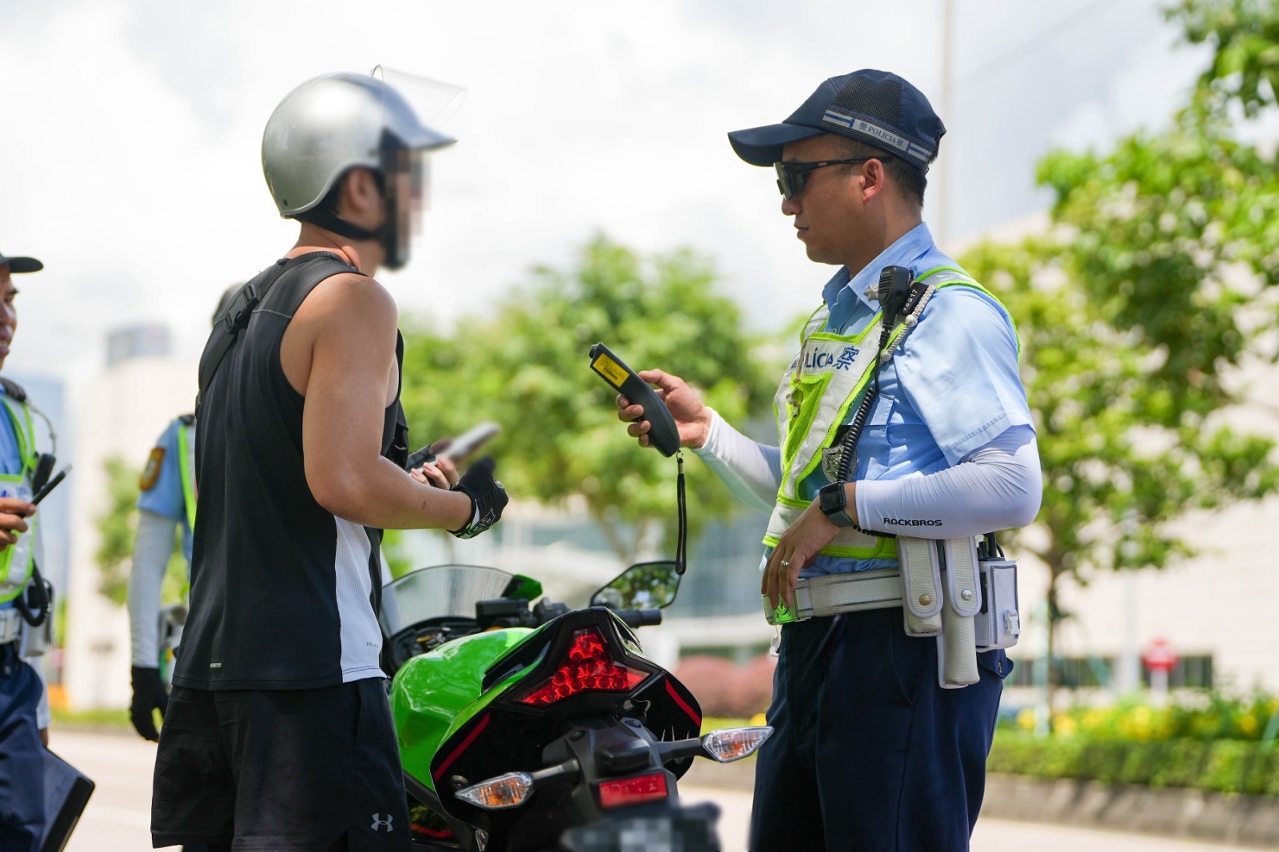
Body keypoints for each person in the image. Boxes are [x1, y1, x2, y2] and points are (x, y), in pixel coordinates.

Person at [617, 70, 1042, 851]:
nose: (785, 203)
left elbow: (1012, 486)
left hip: (900, 650)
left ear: (868, 177)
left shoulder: (949, 310)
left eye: (795, 178)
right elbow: (802, 496)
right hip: (817, 649)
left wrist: (845, 508)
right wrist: (709, 434)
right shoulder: (842, 316)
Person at [151, 71, 509, 852]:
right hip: (311, 675)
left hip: (215, 669)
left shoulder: (241, 312)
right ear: (357, 184)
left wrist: (402, 480)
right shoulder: (353, 299)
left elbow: (285, 476)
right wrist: (466, 509)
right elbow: (342, 480)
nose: (417, 197)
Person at [127, 290, 239, 742]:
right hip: (207, 649)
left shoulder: (315, 425)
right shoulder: (183, 437)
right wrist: (142, 667)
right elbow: (147, 564)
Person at [0, 248, 53, 851]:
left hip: (11, 671)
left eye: (10, 300)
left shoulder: (17, 413)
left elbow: (30, 570)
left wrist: (38, 708)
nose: (5, 316)